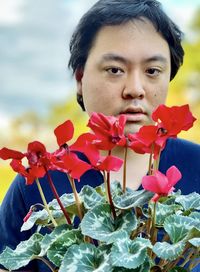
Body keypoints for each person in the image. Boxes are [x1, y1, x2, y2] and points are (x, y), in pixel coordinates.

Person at [0, 0, 199, 271]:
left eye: (152, 71)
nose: (135, 89)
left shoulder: (197, 165)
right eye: (115, 69)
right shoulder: (37, 186)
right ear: (80, 80)